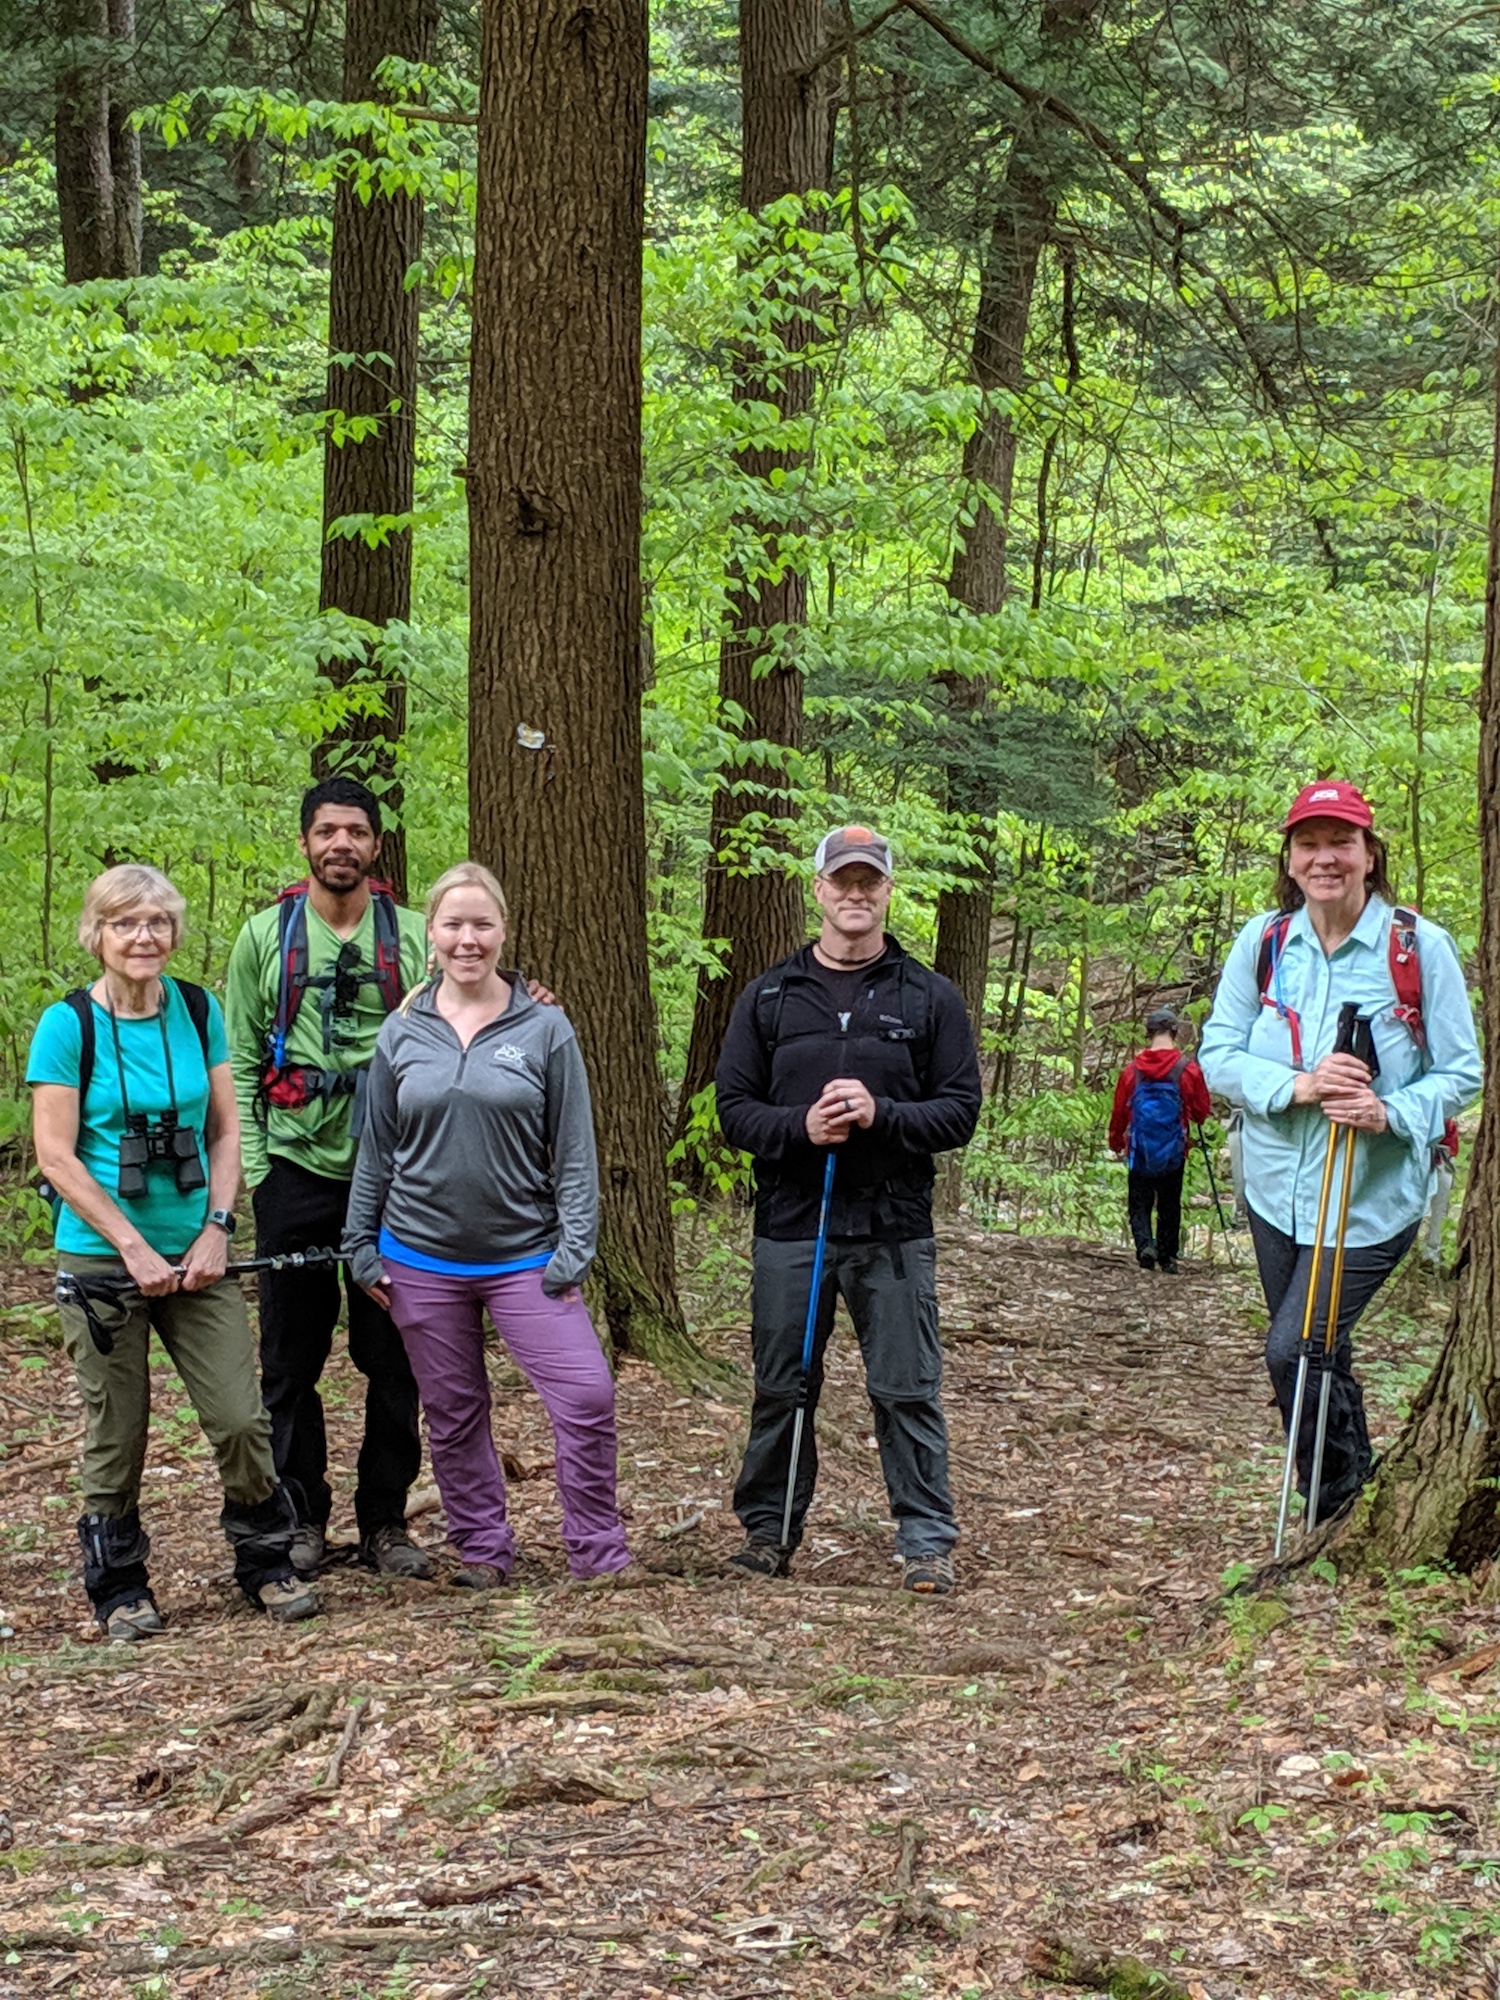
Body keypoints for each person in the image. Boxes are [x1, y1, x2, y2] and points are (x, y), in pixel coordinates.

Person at [28, 867, 316, 1638]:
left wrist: (219, 1224)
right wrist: (130, 1246)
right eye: (125, 923)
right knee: (115, 1431)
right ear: (97, 933)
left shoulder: (196, 1009)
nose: (143, 936)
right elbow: (55, 1155)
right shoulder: (68, 1026)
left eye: (156, 921)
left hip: (198, 1255)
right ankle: (119, 1584)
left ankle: (265, 1558)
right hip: (101, 1261)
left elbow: (226, 1128)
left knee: (239, 1417)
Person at [342, 863, 629, 1588]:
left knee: (587, 1395)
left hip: (525, 1258)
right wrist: (360, 1245)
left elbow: (573, 1150)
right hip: (420, 1258)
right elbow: (376, 1148)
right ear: (430, 934)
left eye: (481, 925)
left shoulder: (544, 1027)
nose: (467, 940)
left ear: (503, 931)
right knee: (453, 1410)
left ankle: (597, 1551)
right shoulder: (402, 1030)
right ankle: (482, 1551)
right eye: (452, 925)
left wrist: (575, 1248)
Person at [1200, 781, 1481, 1522]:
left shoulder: (1417, 948)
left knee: (1294, 1351)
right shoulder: (1263, 944)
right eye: (1309, 844)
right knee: (1323, 1356)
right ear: (1290, 861)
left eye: (1341, 843)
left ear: (1369, 854)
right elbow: (1217, 1055)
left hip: (1366, 1200)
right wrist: (1300, 1084)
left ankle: (1327, 1508)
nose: (1325, 858)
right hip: (1272, 1190)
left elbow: (1463, 1072)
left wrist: (1389, 1109)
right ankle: (1355, 1498)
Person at [715, 825, 982, 1596]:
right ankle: (768, 1534)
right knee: (782, 1387)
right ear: (819, 890)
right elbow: (734, 1111)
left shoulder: (928, 997)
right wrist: (799, 1128)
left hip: (893, 1230)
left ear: (887, 891)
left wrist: (883, 1113)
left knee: (905, 1388)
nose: (855, 895)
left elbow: (959, 1112)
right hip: (792, 1227)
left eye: (870, 882)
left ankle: (926, 1541)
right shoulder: (769, 996)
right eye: (843, 881)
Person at [225, 778, 433, 1580]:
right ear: (305, 843)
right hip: (295, 1171)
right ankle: (299, 1519)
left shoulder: (415, 936)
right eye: (326, 831)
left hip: (399, 1182)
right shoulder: (263, 939)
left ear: (377, 846)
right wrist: (257, 1169)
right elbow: (240, 1059)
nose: (340, 844)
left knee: (395, 1359)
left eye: (355, 832)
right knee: (290, 1361)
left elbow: (469, 1020)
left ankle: (385, 1522)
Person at [1109, 1008, 1212, 1273]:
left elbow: (1120, 1110)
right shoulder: (1187, 1070)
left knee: (1139, 1201)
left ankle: (1145, 1246)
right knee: (1169, 1202)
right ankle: (1168, 1257)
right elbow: (1201, 1112)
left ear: (1148, 1034)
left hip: (1140, 1149)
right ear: (1175, 1033)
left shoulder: (1132, 1072)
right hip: (1174, 1149)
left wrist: (1115, 1141)